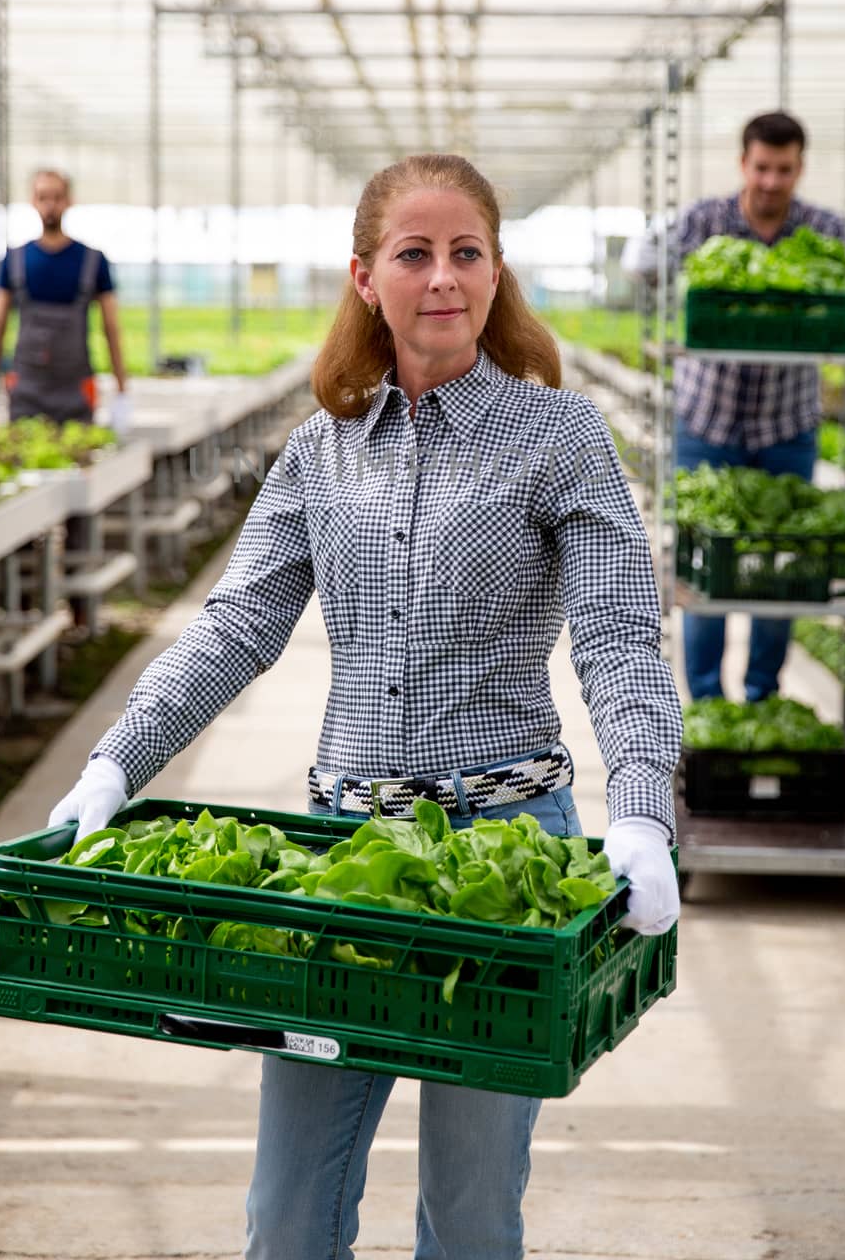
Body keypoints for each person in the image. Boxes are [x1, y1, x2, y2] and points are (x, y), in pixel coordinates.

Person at [50, 153, 682, 1260]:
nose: (443, 277)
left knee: (472, 1211)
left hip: (501, 871)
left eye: (466, 252)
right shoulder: (319, 451)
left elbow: (621, 636)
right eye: (414, 253)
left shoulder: (560, 438)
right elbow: (236, 624)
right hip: (341, 868)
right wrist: (115, 762)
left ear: (496, 272)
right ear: (363, 277)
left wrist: (639, 810)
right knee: (288, 1214)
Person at [622, 111, 845, 703]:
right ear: (744, 163)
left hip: (787, 426)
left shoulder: (824, 227)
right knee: (707, 568)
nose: (771, 181)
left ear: (798, 168)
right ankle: (706, 703)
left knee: (781, 569)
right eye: (762, 167)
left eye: (784, 170)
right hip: (707, 422)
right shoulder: (705, 220)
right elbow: (640, 263)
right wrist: (670, 271)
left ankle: (762, 696)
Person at [0, 168, 130, 434]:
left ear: (69, 201)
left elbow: (111, 328)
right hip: (26, 389)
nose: (50, 205)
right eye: (43, 198)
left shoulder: (92, 260)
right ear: (33, 202)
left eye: (57, 197)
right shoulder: (16, 259)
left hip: (76, 389)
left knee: (78, 458)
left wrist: (122, 391)